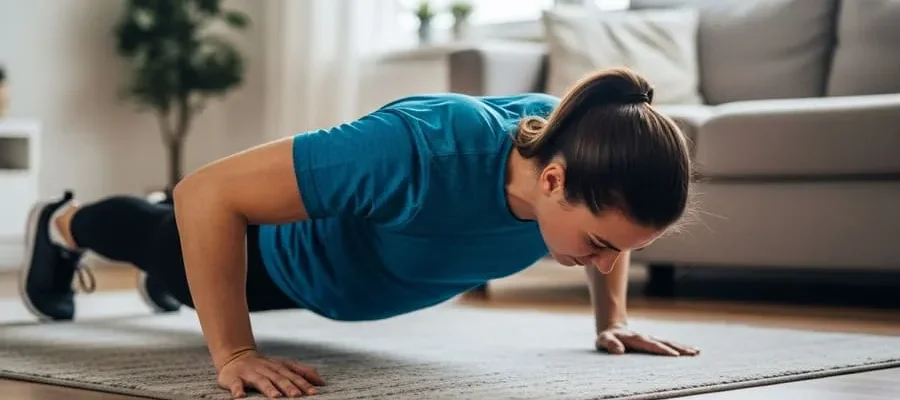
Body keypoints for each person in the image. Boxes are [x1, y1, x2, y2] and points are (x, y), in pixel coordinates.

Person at [20, 66, 699, 399]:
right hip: (272, 260)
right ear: (552, 181)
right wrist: (232, 354)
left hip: (337, 284)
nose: (606, 264)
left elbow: (606, 231)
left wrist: (611, 321)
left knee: (182, 233)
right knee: (170, 233)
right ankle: (61, 221)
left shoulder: (581, 143)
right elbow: (207, 192)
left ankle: (180, 244)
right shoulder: (419, 150)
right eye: (602, 248)